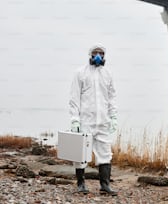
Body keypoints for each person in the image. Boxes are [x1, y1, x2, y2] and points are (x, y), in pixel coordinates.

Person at [69, 44, 118, 195]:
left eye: (101, 53)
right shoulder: (80, 73)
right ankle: (81, 184)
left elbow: (112, 98)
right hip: (85, 121)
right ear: (90, 54)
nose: (98, 56)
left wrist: (113, 116)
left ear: (104, 56)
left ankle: (105, 185)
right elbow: (74, 98)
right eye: (95, 53)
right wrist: (75, 119)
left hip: (103, 122)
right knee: (81, 154)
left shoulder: (108, 74)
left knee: (105, 154)